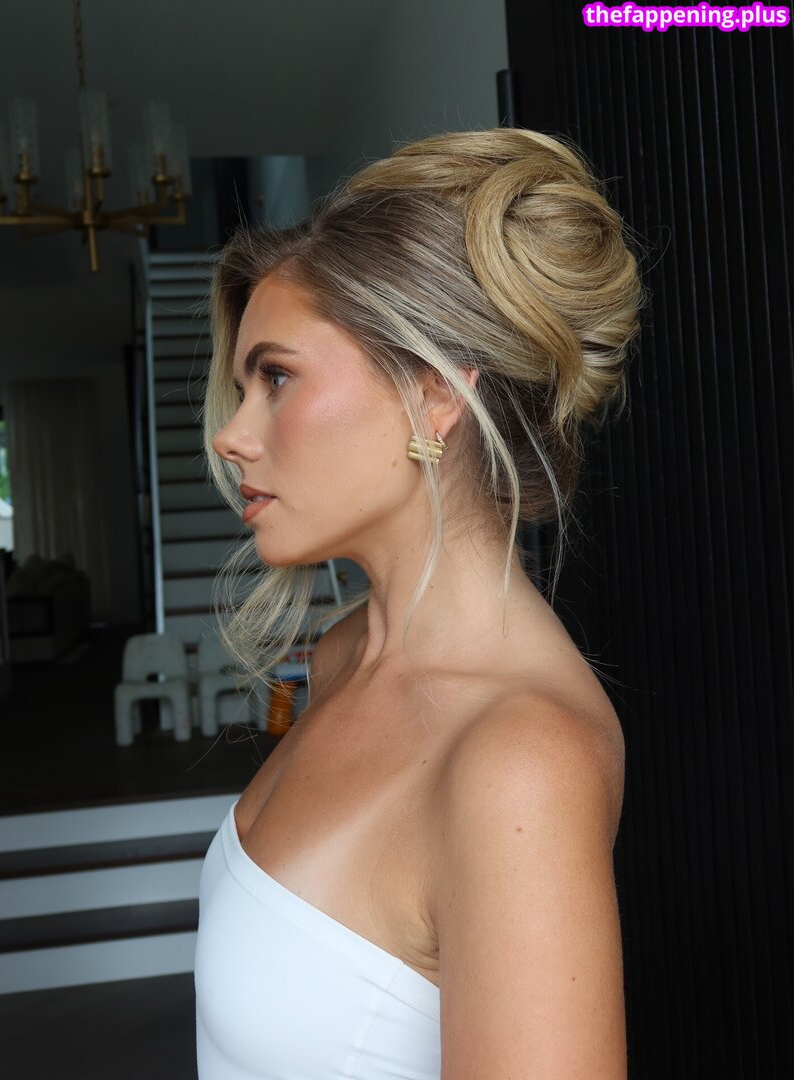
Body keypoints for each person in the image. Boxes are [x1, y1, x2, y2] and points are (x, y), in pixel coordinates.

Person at [194, 126, 646, 1078]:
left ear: (432, 397)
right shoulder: (341, 657)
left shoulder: (520, 761)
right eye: (243, 386)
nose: (233, 435)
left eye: (276, 377)